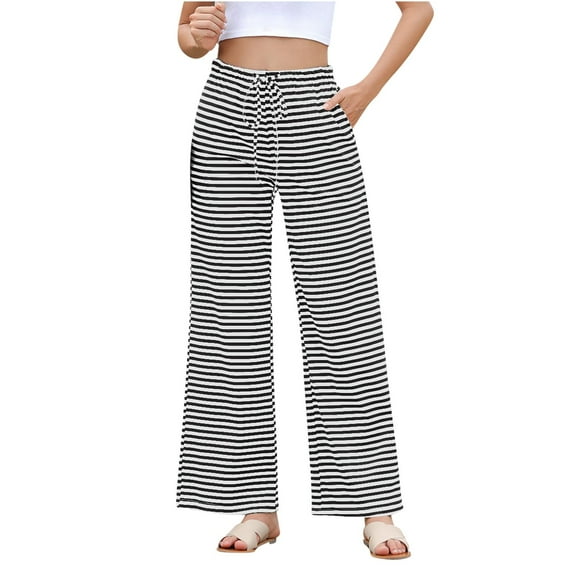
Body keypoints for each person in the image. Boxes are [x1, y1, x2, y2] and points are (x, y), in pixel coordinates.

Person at [174, 0, 433, 559]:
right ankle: (255, 508)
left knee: (344, 306)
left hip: (315, 103)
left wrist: (366, 90)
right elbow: (187, 34)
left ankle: (375, 507)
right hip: (224, 104)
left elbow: (418, 9)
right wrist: (195, 36)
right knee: (228, 311)